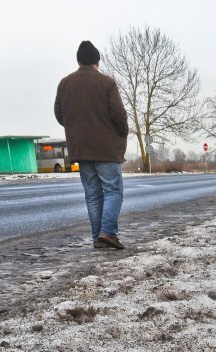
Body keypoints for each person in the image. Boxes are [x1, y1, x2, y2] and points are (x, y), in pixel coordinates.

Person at [54, 40, 128, 250]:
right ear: (97, 61)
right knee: (113, 190)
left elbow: (60, 114)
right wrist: (122, 132)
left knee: (93, 194)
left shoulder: (65, 83)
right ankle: (108, 233)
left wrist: (77, 129)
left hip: (81, 149)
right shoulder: (106, 83)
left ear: (79, 60)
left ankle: (98, 237)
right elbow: (118, 115)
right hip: (106, 148)